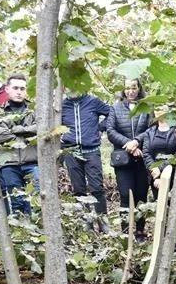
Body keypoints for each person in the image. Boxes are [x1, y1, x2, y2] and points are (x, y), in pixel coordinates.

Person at [106, 79, 152, 240]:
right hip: (123, 159)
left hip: (142, 157)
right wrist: (128, 143)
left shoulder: (147, 107)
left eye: (133, 87)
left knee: (141, 195)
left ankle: (140, 231)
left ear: (139, 88)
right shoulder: (116, 107)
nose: (130, 91)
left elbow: (150, 128)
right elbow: (110, 130)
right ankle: (125, 233)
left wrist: (137, 141)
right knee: (125, 195)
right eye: (127, 88)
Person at [143, 105, 176, 255]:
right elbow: (146, 152)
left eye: (162, 108)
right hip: (155, 178)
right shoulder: (150, 131)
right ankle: (163, 247)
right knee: (162, 212)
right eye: (156, 108)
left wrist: (162, 171)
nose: (159, 111)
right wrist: (155, 173)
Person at [60, 91, 110, 229]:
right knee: (78, 189)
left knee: (97, 187)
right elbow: (54, 124)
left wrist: (100, 127)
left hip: (91, 150)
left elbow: (111, 113)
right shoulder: (62, 105)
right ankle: (86, 221)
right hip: (71, 151)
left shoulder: (93, 101)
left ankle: (102, 220)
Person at [0, 74, 39, 215]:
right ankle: (20, 230)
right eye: (15, 88)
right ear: (7, 89)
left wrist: (19, 130)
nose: (19, 92)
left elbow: (40, 128)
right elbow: (0, 135)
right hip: (9, 163)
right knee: (16, 200)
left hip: (32, 161)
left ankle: (37, 229)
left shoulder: (34, 110)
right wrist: (26, 134)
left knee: (36, 197)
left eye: (22, 88)